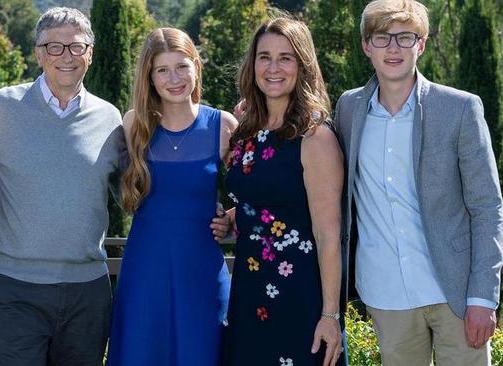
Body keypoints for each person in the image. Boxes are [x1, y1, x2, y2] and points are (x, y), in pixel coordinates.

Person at [335, 1, 503, 364]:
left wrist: (483, 297)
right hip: (385, 294)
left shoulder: (460, 108)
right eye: (382, 37)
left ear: (421, 44)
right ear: (366, 45)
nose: (393, 48)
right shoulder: (348, 109)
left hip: (455, 293)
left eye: (405, 37)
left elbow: (487, 207)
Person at [0, 7, 123, 366]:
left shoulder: (110, 119)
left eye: (76, 47)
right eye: (54, 47)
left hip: (88, 292)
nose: (66, 56)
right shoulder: (2, 107)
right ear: (37, 53)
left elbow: (136, 191)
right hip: (15, 289)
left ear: (91, 53)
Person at [106, 27, 237, 366]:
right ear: (149, 78)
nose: (174, 78)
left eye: (181, 66)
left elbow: (256, 194)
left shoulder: (223, 126)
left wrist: (230, 218)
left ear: (196, 65)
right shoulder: (134, 124)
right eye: (162, 70)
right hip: (144, 272)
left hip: (201, 274)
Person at [222, 15, 344, 366]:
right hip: (247, 290)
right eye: (264, 57)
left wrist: (330, 316)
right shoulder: (246, 130)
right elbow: (266, 197)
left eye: (285, 58)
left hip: (298, 297)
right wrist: (233, 217)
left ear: (302, 65)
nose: (273, 68)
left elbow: (328, 233)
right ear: (253, 64)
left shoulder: (314, 137)